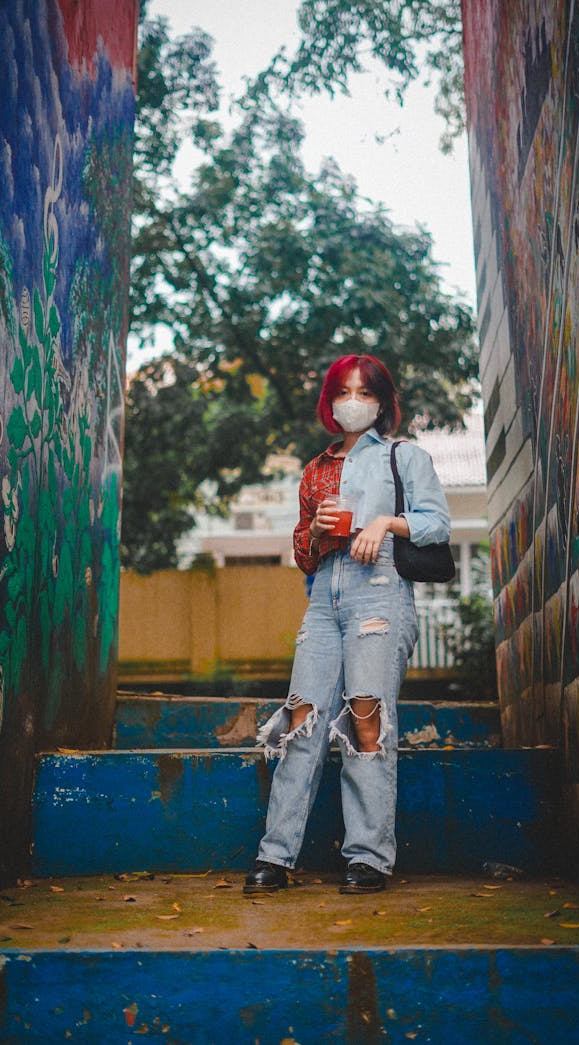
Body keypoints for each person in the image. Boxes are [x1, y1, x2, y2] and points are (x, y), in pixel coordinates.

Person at [243, 354, 451, 895]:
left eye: (365, 392)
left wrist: (382, 522)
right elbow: (305, 556)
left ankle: (368, 858)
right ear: (329, 400)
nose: (353, 401)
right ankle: (276, 856)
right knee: (299, 722)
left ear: (382, 401)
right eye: (343, 391)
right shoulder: (315, 470)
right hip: (325, 594)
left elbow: (436, 523)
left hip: (378, 590)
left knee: (366, 721)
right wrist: (314, 529)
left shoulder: (403, 457)